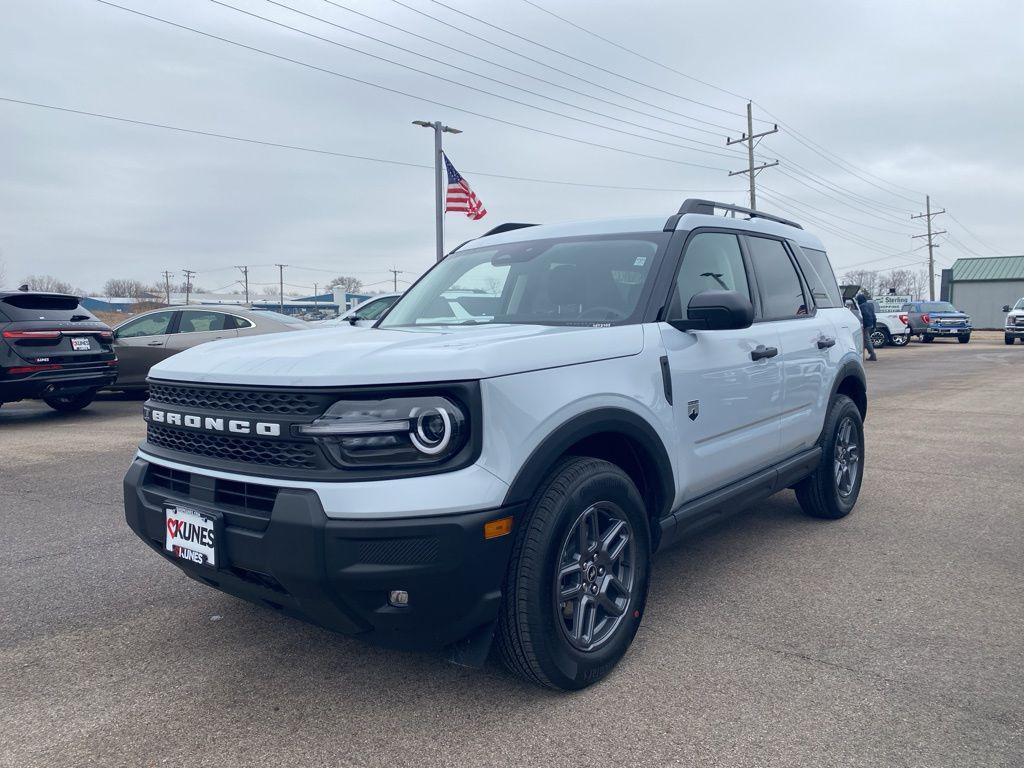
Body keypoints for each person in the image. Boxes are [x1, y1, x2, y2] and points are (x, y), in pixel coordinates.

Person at [856, 293, 878, 361]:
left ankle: (872, 355)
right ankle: (870, 354)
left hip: (866, 325)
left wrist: (863, 325)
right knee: (866, 340)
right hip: (871, 324)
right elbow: (874, 316)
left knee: (867, 340)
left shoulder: (862, 306)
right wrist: (874, 326)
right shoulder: (869, 305)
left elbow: (865, 315)